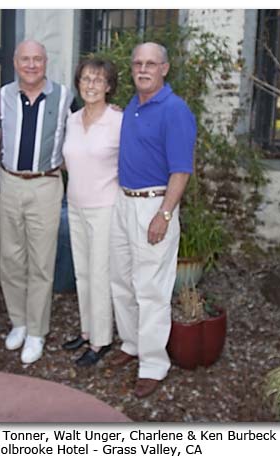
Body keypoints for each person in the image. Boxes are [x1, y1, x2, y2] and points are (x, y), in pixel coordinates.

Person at [109, 42, 197, 398]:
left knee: (151, 289)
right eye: (137, 64)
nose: (143, 69)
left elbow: (181, 170)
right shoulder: (133, 106)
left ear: (165, 68)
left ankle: (154, 365)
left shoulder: (175, 110)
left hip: (154, 205)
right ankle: (132, 344)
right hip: (124, 202)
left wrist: (164, 213)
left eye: (150, 64)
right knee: (122, 281)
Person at [0, 40, 73, 364]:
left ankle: (37, 331)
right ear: (15, 62)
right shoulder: (2, 96)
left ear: (46, 61)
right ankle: (19, 323)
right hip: (9, 182)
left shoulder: (65, 96)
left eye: (37, 59)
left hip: (45, 185)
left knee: (41, 261)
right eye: (25, 59)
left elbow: (84, 128)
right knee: (11, 259)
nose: (31, 65)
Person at [61, 58, 122, 367]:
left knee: (99, 275)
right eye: (85, 79)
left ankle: (101, 341)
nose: (91, 85)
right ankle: (87, 332)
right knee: (82, 273)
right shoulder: (72, 120)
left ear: (109, 86)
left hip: (105, 208)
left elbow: (133, 163)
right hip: (75, 205)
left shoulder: (119, 120)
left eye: (98, 80)